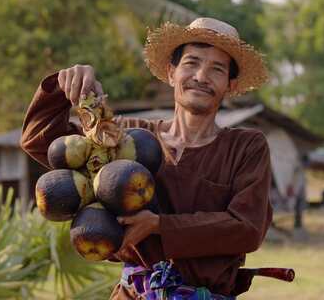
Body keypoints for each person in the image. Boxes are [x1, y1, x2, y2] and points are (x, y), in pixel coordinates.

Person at [20, 17, 273, 299]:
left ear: (231, 85)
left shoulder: (246, 147)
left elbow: (247, 228)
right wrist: (62, 86)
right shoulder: (125, 138)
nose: (201, 76)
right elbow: (40, 141)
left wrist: (158, 225)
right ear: (171, 71)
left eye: (217, 69)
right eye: (191, 63)